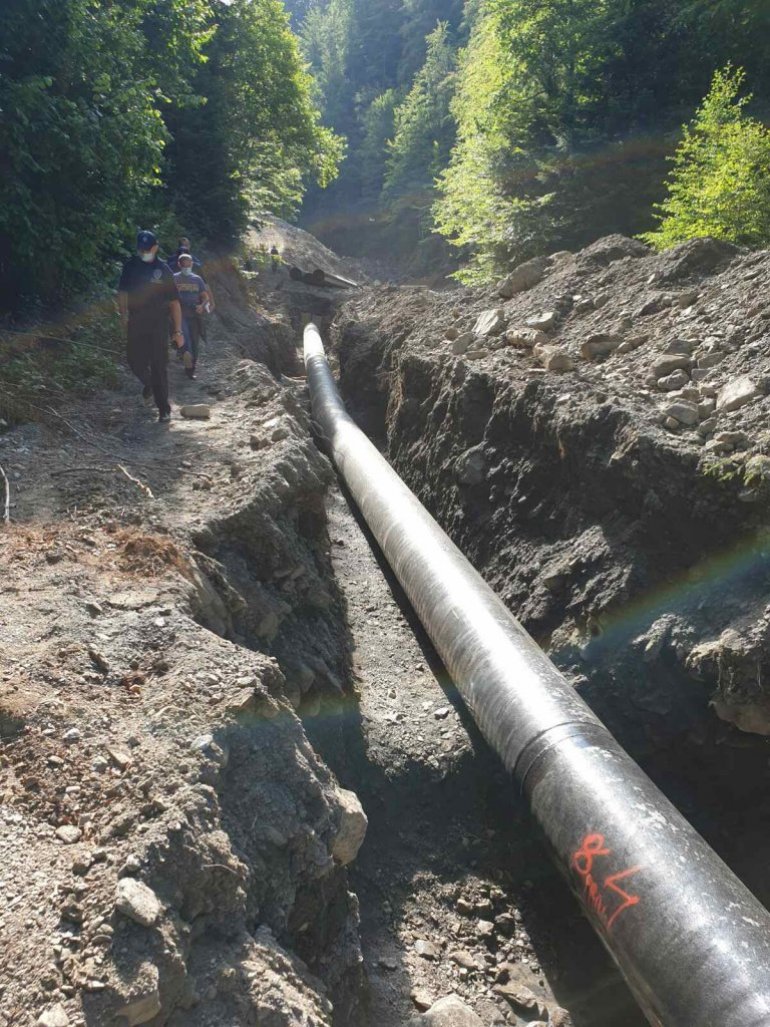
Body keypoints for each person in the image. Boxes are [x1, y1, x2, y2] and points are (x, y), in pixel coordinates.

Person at [118, 230, 185, 423]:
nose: (144, 252)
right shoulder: (130, 266)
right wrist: (123, 315)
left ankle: (164, 409)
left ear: (155, 247)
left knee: (158, 365)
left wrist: (178, 331)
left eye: (147, 249)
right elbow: (122, 292)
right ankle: (149, 383)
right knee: (133, 360)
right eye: (141, 249)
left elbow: (174, 302)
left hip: (158, 323)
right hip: (136, 320)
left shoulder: (163, 270)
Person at [174, 252, 210, 379]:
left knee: (195, 344)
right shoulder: (174, 279)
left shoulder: (197, 279)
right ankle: (188, 369)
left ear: (192, 264)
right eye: (184, 265)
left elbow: (205, 297)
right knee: (186, 342)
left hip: (195, 315)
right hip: (180, 315)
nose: (187, 267)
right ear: (179, 265)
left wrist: (202, 306)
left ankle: (192, 366)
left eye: (189, 265)